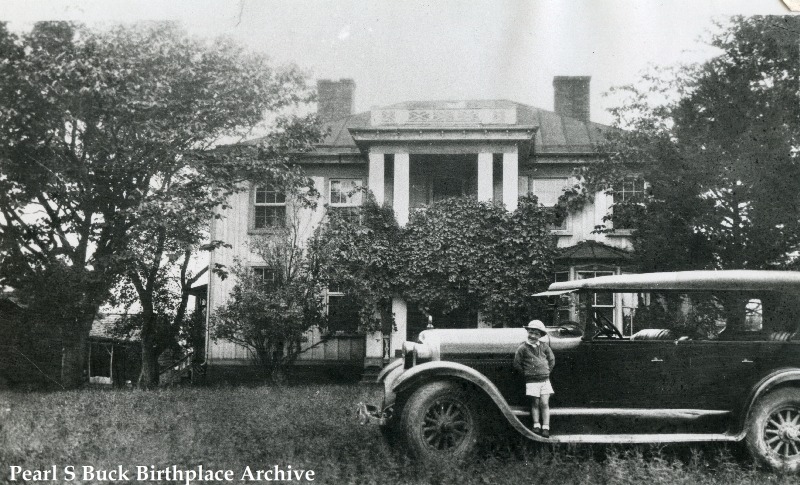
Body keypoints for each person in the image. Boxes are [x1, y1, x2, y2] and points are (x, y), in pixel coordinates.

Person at [513, 319, 555, 437]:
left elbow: (551, 360)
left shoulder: (544, 346)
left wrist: (546, 372)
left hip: (545, 380)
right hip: (532, 381)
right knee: (535, 403)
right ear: (527, 332)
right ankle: (536, 425)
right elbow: (517, 363)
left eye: (536, 334)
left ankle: (546, 427)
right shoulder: (522, 348)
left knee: (544, 403)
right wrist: (527, 374)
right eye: (531, 332)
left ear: (540, 336)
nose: (533, 336)